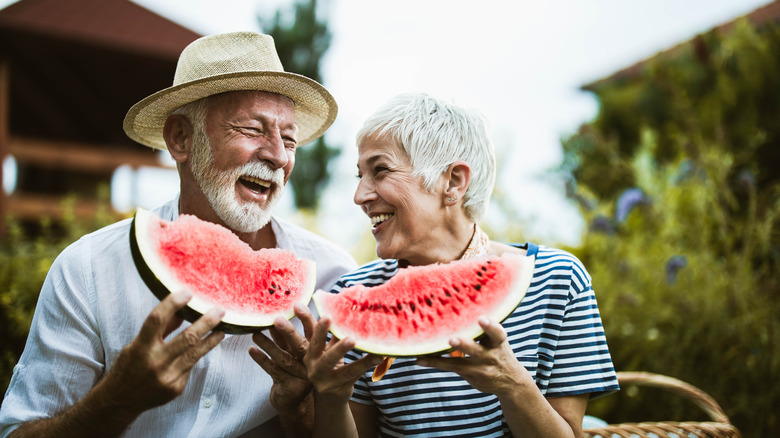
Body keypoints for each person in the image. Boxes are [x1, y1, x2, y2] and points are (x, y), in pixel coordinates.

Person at [0, 31, 357, 437]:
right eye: (253, 130)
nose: (277, 155)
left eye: (289, 139)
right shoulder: (88, 270)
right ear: (181, 138)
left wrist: (302, 410)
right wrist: (116, 399)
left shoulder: (333, 279)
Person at [294, 93, 620, 437]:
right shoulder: (353, 294)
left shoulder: (557, 280)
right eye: (359, 175)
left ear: (453, 182)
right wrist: (330, 398)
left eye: (380, 170)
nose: (360, 195)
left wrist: (513, 384)